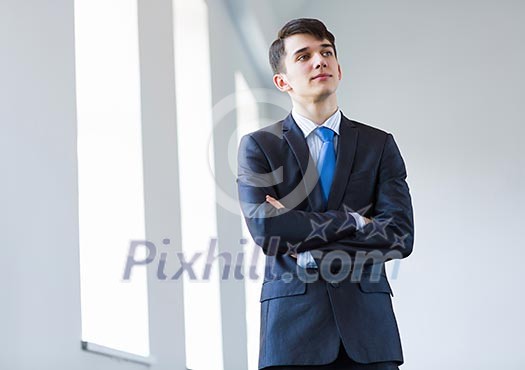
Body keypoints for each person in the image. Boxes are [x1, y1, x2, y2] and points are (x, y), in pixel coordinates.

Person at [237, 18, 414, 370]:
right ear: (282, 81)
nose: (319, 61)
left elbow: (399, 237)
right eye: (303, 56)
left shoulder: (378, 145)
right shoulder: (260, 147)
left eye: (326, 52)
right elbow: (267, 232)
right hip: (291, 331)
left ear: (339, 69)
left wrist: (298, 228)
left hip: (369, 333)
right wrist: (353, 221)